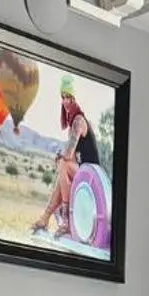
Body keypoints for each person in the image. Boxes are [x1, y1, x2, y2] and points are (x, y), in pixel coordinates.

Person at [32, 77, 101, 239]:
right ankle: (45, 218)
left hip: (92, 175)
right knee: (63, 166)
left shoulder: (78, 121)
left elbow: (68, 155)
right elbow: (72, 157)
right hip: (83, 170)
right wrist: (62, 157)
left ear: (74, 98)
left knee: (63, 163)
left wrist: (61, 157)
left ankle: (65, 220)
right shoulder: (72, 123)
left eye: (68, 97)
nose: (65, 101)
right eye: (62, 97)